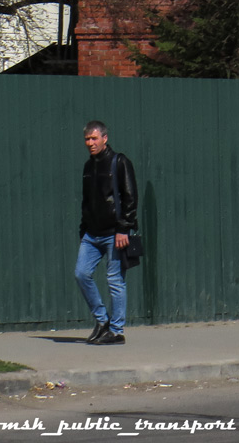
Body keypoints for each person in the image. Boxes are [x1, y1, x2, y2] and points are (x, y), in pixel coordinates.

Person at [76, 121, 136, 346]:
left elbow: (130, 196)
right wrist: (84, 229)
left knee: (115, 280)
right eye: (87, 139)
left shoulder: (119, 162)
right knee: (81, 274)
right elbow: (87, 201)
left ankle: (117, 330)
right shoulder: (88, 167)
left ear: (104, 138)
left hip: (114, 233)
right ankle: (102, 321)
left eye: (94, 138)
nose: (90, 143)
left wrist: (123, 228)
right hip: (92, 234)